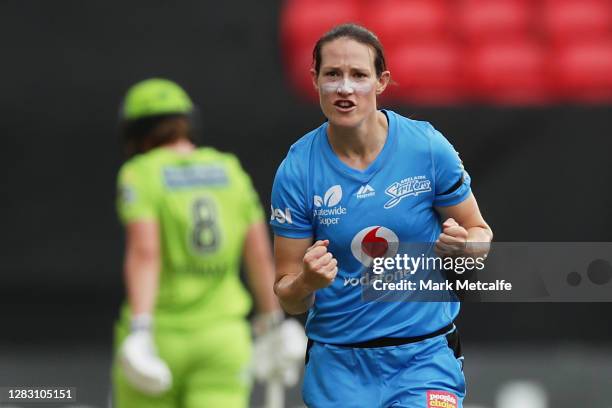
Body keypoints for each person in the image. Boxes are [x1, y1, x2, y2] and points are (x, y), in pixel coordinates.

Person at [270, 24, 493, 408]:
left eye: (358, 75)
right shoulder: (297, 170)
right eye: (332, 75)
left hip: (423, 358)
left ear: (381, 82)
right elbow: (288, 297)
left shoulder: (426, 147)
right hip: (339, 366)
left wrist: (465, 246)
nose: (345, 88)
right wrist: (306, 280)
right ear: (314, 80)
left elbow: (479, 233)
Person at [113, 78, 302, 408]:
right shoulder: (228, 169)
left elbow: (145, 253)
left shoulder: (140, 173)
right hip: (223, 338)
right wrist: (274, 322)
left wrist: (140, 329)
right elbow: (258, 253)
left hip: (161, 334)